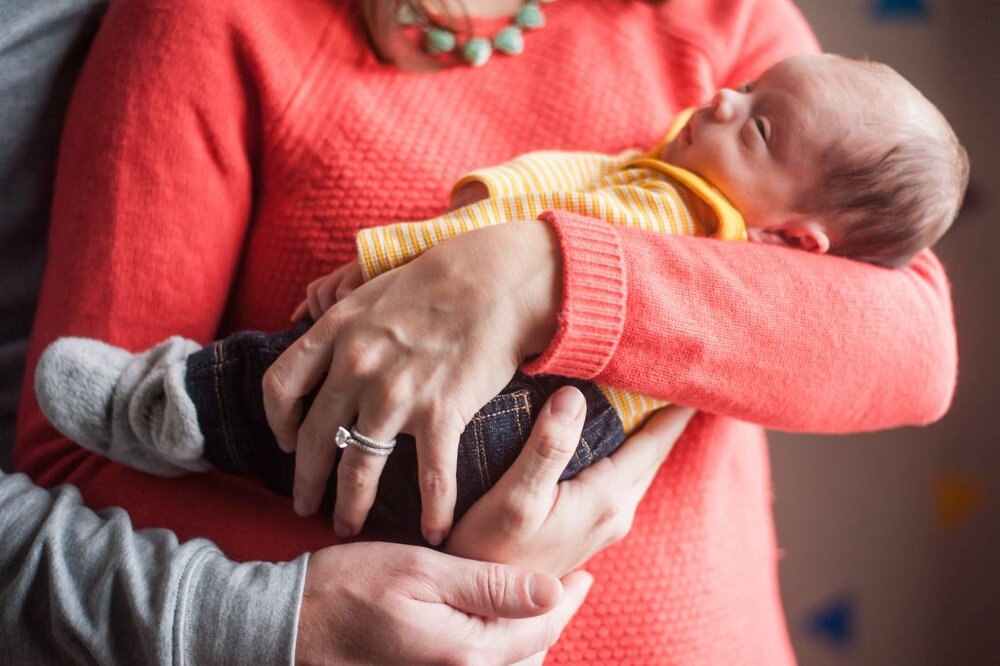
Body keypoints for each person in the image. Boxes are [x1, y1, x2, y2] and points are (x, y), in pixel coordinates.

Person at [15, 0, 958, 662]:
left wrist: (544, 274)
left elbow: (914, 345)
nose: (725, 106)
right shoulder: (211, 20)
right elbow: (79, 457)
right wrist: (423, 574)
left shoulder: (726, 28)